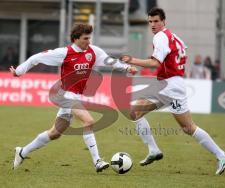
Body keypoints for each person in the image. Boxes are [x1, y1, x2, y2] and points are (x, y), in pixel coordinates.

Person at [10, 23, 137, 172]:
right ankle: (97, 161)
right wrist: (18, 72)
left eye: (89, 38)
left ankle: (22, 152)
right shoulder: (64, 53)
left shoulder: (93, 51)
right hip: (65, 95)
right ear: (76, 39)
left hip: (75, 96)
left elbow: (109, 61)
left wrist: (127, 67)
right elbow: (36, 58)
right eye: (85, 38)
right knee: (88, 121)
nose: (88, 41)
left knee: (55, 133)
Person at [121, 7, 225, 175]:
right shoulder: (174, 36)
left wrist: (132, 60)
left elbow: (156, 63)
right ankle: (153, 150)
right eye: (150, 21)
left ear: (164, 21)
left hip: (171, 86)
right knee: (135, 112)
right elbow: (181, 52)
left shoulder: (160, 37)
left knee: (188, 127)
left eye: (156, 21)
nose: (153, 25)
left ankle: (221, 155)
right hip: (166, 83)